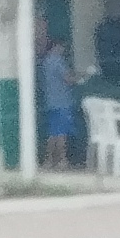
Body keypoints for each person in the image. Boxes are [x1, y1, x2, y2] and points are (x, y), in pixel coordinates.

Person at [38, 35, 81, 173]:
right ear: (56, 47)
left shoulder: (46, 62)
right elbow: (68, 79)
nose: (63, 49)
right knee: (62, 132)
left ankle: (49, 160)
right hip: (62, 102)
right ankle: (62, 160)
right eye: (62, 47)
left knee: (53, 133)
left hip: (51, 102)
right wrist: (80, 78)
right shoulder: (58, 61)